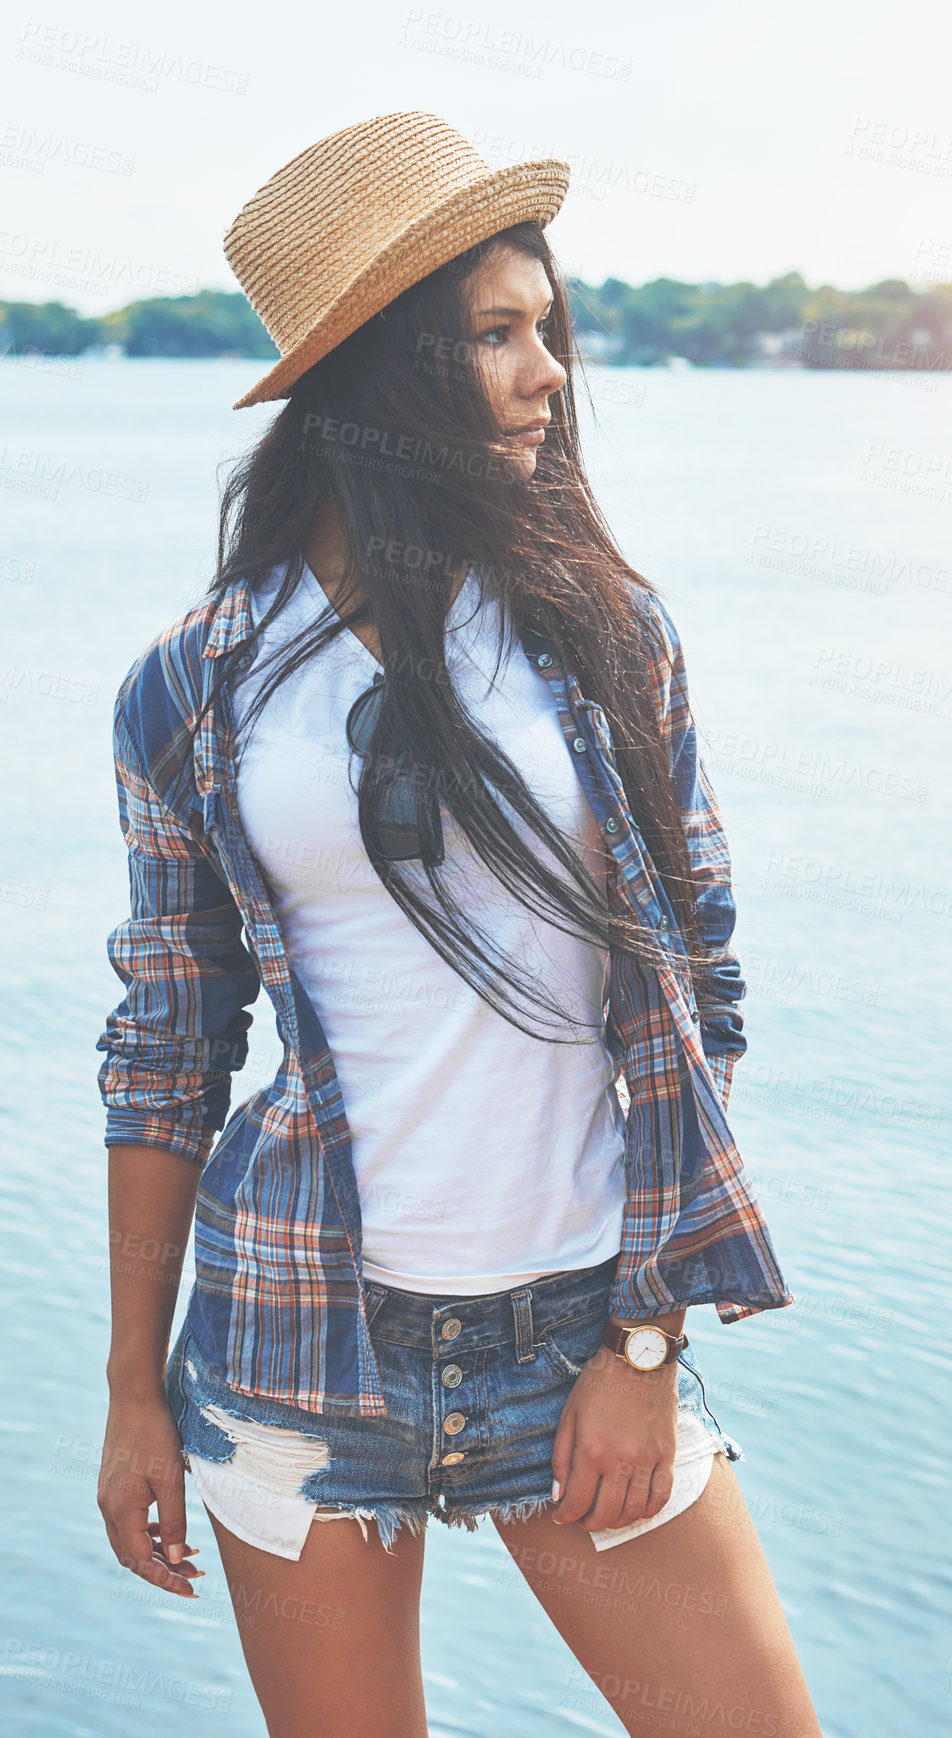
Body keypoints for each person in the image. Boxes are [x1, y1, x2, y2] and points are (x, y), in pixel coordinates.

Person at [95, 112, 822, 1738]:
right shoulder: (197, 683)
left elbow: (696, 984)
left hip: (576, 1335)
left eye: (543, 329)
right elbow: (165, 1050)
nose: (548, 372)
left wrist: (645, 1333)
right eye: (496, 335)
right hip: (293, 1344)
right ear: (379, 371)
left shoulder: (602, 634)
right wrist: (130, 1395)